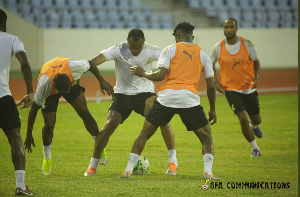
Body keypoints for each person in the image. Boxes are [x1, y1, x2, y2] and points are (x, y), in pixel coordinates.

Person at [120, 22, 220, 180]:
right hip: (189, 100)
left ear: (178, 35)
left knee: (144, 134)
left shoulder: (170, 50)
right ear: (191, 36)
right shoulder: (204, 55)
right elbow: (211, 85)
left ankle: (127, 170)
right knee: (206, 138)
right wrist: (212, 109)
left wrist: (142, 73)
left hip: (167, 98)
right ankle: (208, 173)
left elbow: (159, 76)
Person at [84, 29, 178, 176]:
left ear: (143, 43)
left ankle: (173, 162)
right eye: (132, 47)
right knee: (109, 125)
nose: (134, 51)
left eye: (138, 48)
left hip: (144, 94)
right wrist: (101, 81)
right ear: (127, 40)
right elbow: (91, 62)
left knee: (163, 119)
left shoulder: (152, 50)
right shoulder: (118, 49)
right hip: (122, 94)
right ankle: (92, 166)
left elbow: (171, 64)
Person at [24, 57, 114, 176]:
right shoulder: (45, 86)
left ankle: (99, 147)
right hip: (51, 85)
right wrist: (29, 134)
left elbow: (91, 64)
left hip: (67, 79)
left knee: (84, 112)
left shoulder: (74, 68)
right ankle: (47, 159)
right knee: (49, 124)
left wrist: (101, 81)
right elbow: (33, 110)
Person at [211, 18, 262, 157]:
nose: (228, 30)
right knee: (242, 117)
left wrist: (256, 77)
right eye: (226, 27)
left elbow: (256, 62)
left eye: (231, 27)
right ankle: (255, 149)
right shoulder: (218, 47)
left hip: (248, 87)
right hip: (230, 89)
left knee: (256, 119)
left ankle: (254, 126)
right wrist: (216, 82)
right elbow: (210, 65)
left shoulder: (247, 44)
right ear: (223, 28)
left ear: (236, 28)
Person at [0, 9, 34, 195]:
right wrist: (29, 91)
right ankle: (20, 186)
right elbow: (25, 63)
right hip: (2, 97)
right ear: (4, 24)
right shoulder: (12, 39)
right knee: (15, 138)